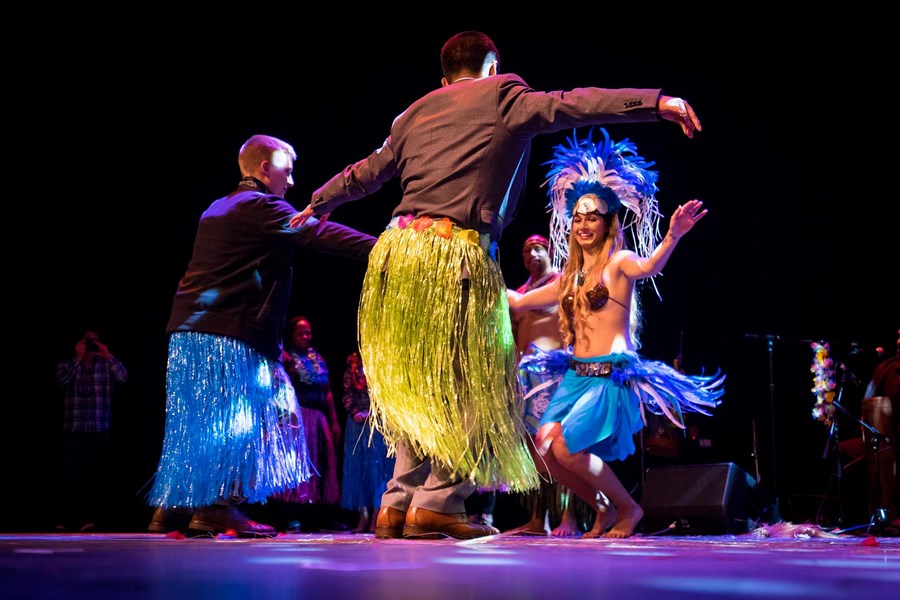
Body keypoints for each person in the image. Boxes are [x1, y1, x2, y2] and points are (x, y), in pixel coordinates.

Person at [292, 30, 702, 540]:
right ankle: (438, 503)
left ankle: (396, 503)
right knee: (478, 384)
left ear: (444, 79)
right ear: (493, 65)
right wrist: (655, 102)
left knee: (421, 384)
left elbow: (367, 173)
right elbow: (575, 105)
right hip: (456, 256)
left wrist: (319, 201)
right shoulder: (503, 95)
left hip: (397, 258)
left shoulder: (413, 113)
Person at [146, 134, 376, 538]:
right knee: (237, 421)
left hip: (188, 331)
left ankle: (173, 508)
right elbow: (316, 233)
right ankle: (218, 507)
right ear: (266, 169)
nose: (290, 183)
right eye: (287, 172)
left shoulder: (215, 208)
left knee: (198, 422)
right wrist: (385, 247)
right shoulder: (262, 206)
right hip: (230, 333)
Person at [507, 129, 724, 538]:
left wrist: (673, 234)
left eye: (592, 217)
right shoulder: (571, 277)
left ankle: (628, 509)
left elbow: (652, 267)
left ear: (607, 223)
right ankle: (602, 507)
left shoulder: (620, 262)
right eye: (577, 218)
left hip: (608, 373)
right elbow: (519, 303)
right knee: (543, 451)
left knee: (567, 448)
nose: (583, 224)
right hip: (575, 375)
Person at [506, 234, 595, 537]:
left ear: (550, 251)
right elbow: (519, 339)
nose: (531, 254)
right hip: (527, 376)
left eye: (537, 248)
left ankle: (570, 516)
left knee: (560, 446)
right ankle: (536, 519)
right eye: (525, 250)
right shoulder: (520, 292)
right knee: (534, 450)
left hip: (555, 372)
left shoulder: (562, 282)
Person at [272, 315, 343, 532]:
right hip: (297, 418)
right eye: (301, 332)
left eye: (308, 332)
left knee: (321, 467)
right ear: (291, 336)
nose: (306, 336)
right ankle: (292, 516)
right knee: (297, 467)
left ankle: (320, 518)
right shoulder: (285, 359)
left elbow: (328, 391)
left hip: (318, 418)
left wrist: (334, 421)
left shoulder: (317, 358)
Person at [55, 330, 128, 532]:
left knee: (93, 476)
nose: (91, 345)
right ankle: (65, 519)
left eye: (94, 341)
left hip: (98, 427)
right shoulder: (68, 364)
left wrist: (108, 355)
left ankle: (88, 519)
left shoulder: (105, 366)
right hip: (74, 427)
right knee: (70, 475)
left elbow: (123, 376)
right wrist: (78, 358)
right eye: (87, 341)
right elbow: (61, 379)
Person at [339, 350, 396, 533]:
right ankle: (363, 516)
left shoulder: (383, 356)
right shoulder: (353, 360)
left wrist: (373, 413)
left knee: (377, 470)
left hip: (377, 422)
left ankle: (378, 515)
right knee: (359, 470)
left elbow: (388, 391)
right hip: (357, 422)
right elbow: (347, 390)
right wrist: (355, 411)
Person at [862, 328, 899, 531]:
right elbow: (869, 398)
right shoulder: (886, 367)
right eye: (899, 336)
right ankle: (878, 513)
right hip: (881, 436)